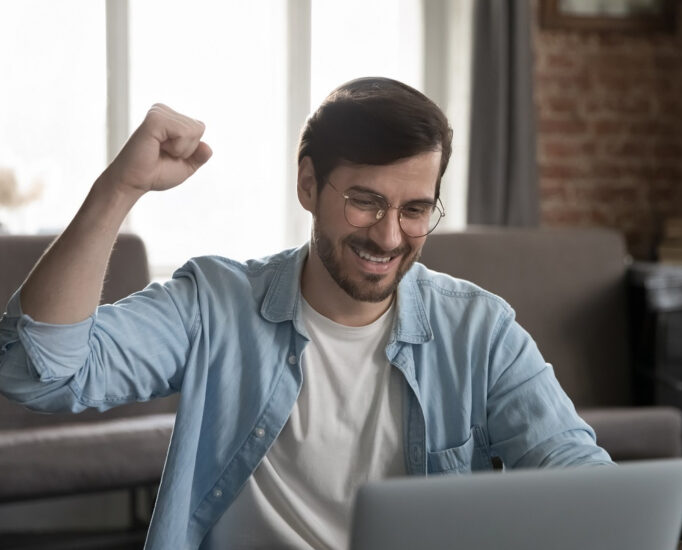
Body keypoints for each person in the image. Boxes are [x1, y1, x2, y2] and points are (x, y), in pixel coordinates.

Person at [0, 77, 612, 549]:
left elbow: (577, 472)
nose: (390, 236)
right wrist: (120, 188)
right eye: (366, 202)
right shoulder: (215, 306)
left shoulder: (480, 331)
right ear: (308, 185)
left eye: (415, 210)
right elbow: (39, 370)